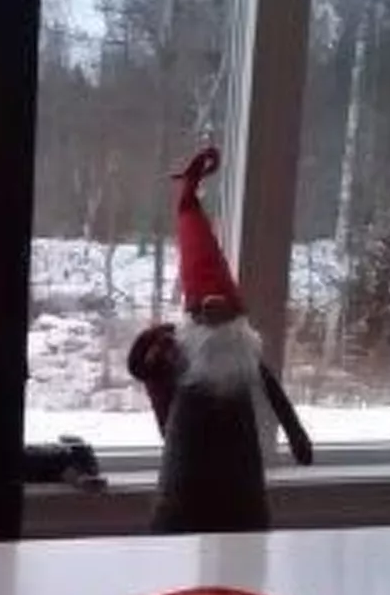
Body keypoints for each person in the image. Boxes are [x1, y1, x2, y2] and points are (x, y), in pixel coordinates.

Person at [128, 147, 313, 534]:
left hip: (241, 484)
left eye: (221, 311)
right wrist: (147, 348)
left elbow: (275, 395)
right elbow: (143, 368)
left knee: (242, 531)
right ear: (192, 319)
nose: (213, 319)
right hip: (183, 479)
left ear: (237, 317)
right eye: (205, 313)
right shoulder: (181, 353)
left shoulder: (240, 359)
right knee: (176, 533)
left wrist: (297, 438)